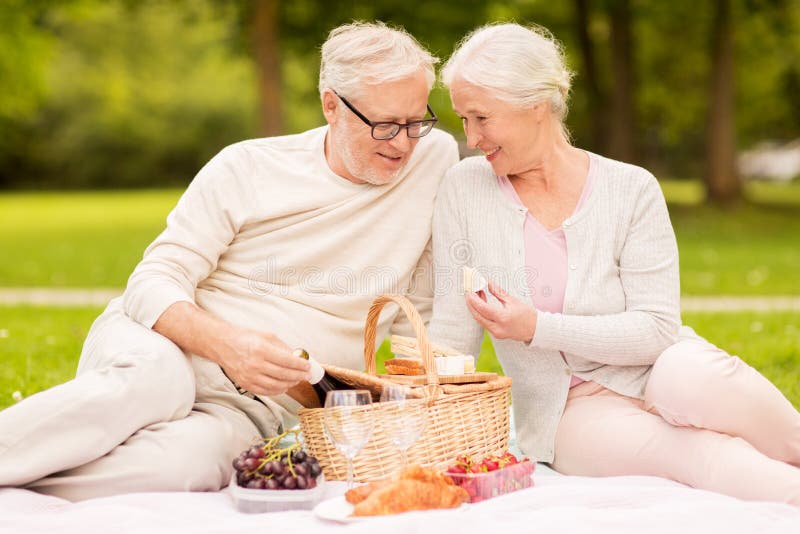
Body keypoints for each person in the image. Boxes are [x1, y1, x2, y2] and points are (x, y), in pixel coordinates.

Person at [0, 21, 458, 501]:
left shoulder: (432, 161)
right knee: (159, 382)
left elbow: (418, 306)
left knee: (187, 466)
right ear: (331, 105)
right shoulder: (247, 167)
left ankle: (19, 485)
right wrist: (228, 347)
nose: (404, 143)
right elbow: (152, 279)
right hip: (163, 348)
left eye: (415, 121)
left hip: (255, 409)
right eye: (385, 125)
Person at [428, 22, 800, 505]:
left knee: (701, 379)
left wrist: (537, 327)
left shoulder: (632, 188)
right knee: (700, 454)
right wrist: (408, 399)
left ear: (536, 105)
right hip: (571, 411)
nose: (471, 137)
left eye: (481, 117)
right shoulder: (464, 188)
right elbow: (453, 335)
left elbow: (657, 330)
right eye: (463, 120)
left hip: (658, 363)